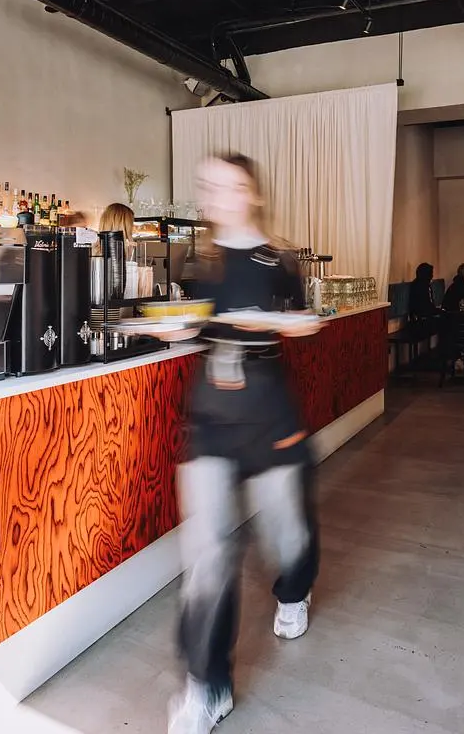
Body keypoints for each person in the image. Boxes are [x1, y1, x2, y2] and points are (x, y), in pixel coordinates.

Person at [163, 154, 322, 734]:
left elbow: (304, 319)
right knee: (207, 551)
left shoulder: (278, 259)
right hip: (211, 410)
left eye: (230, 185)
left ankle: (294, 589)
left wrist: (279, 322)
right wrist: (178, 329)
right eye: (208, 186)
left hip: (268, 405)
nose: (217, 195)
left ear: (253, 193)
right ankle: (207, 687)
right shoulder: (198, 259)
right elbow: (194, 321)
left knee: (287, 530)